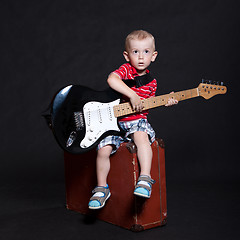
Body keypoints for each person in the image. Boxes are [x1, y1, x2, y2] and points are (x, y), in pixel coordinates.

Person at [88, 30, 178, 209]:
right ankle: (101, 188)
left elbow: (148, 104)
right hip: (113, 123)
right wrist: (132, 95)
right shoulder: (126, 70)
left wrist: (166, 101)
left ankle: (144, 179)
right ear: (127, 55)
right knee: (103, 149)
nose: (141, 57)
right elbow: (111, 79)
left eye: (146, 52)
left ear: (154, 56)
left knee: (141, 137)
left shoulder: (152, 82)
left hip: (136, 121)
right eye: (135, 52)